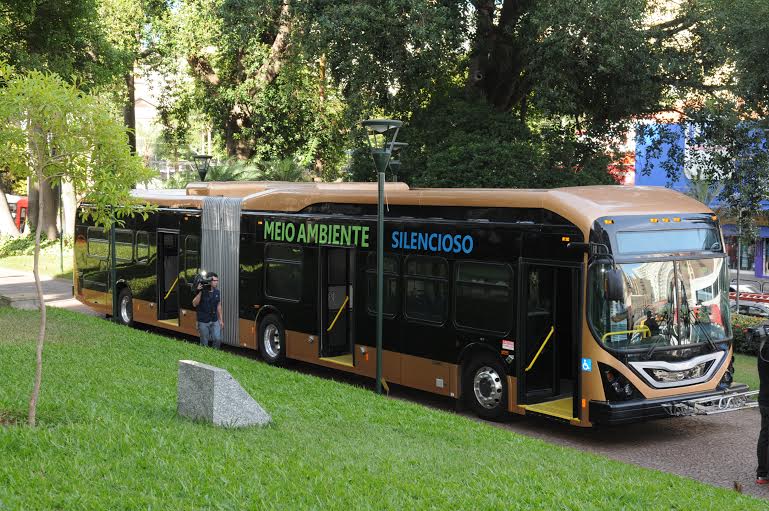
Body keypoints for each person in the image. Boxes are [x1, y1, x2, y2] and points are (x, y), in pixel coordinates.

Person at [192, 272, 223, 348]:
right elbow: (194, 304)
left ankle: (215, 355)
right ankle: (204, 357)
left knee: (217, 339)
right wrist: (200, 292)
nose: (216, 282)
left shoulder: (217, 292)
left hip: (214, 320)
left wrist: (221, 320)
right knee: (204, 342)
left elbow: (218, 305)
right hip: (203, 321)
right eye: (214, 280)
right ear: (209, 281)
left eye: (217, 280)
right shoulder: (202, 291)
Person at [757, 329, 769, 485]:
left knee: (765, 435)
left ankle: (762, 473)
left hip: (764, 398)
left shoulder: (763, 346)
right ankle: (763, 473)